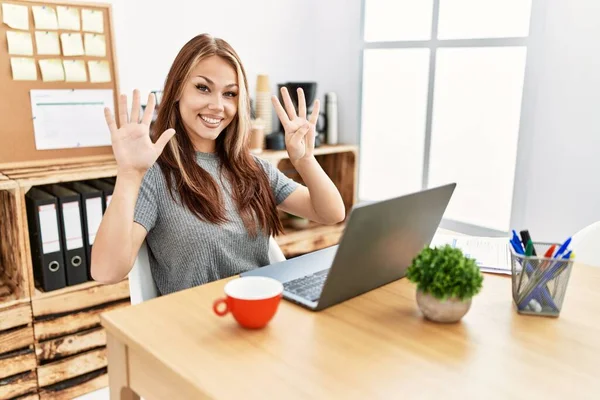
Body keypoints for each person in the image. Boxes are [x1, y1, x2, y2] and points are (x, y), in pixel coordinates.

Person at [91, 34, 345, 295]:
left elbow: (331, 213)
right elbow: (106, 271)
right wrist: (129, 174)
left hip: (259, 311)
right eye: (203, 88)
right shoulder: (155, 174)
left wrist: (304, 160)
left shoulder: (252, 168)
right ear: (177, 89)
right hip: (200, 323)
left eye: (230, 94)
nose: (217, 106)